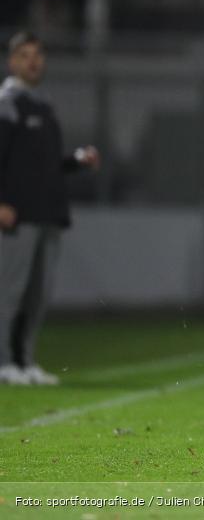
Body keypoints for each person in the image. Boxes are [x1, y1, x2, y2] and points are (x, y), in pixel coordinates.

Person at [0, 31, 100, 386]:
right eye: (25, 55)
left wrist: (76, 160)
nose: (33, 61)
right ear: (12, 61)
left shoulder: (42, 104)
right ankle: (4, 362)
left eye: (37, 55)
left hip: (47, 213)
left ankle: (25, 361)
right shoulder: (8, 103)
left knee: (37, 295)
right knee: (9, 292)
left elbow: (44, 165)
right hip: (18, 215)